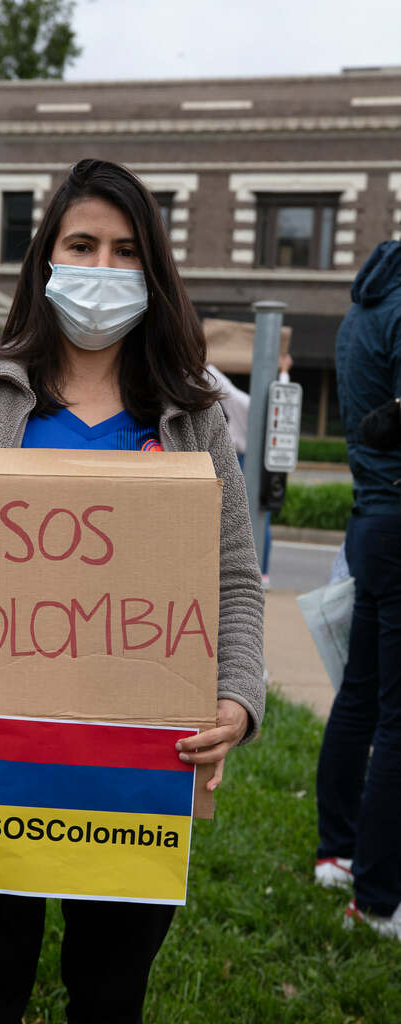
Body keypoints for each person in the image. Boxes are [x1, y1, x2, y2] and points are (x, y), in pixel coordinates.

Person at [0, 159, 265, 1022]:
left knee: (109, 994)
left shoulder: (192, 414)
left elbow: (231, 578)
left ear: (154, 270)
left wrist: (236, 702)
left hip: (139, 766)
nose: (101, 268)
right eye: (80, 244)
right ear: (44, 259)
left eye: (126, 251)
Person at [314, 240, 401, 941]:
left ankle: (337, 857)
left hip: (372, 518)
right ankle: (376, 903)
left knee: (361, 699)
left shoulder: (364, 304)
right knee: (395, 718)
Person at [206, 354, 293, 586]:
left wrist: (206, 363)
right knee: (260, 518)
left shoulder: (240, 402)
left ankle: (241, 573)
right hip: (262, 463)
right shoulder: (264, 406)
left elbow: (220, 384)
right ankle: (262, 573)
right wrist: (284, 371)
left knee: (234, 519)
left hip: (241, 461)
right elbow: (283, 397)